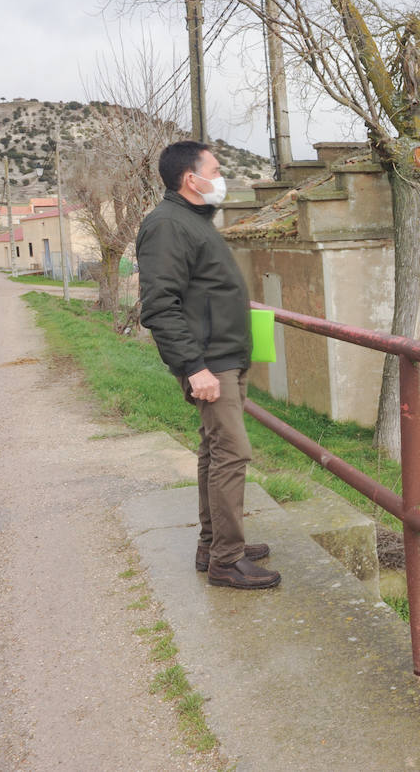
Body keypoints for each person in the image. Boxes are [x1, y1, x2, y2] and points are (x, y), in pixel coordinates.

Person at [136, 140, 280, 590]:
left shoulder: (191, 221)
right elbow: (160, 305)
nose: (221, 179)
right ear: (190, 179)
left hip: (224, 358)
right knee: (232, 452)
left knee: (214, 451)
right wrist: (194, 367)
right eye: (215, 171)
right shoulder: (167, 225)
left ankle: (213, 545)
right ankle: (226, 561)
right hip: (209, 362)